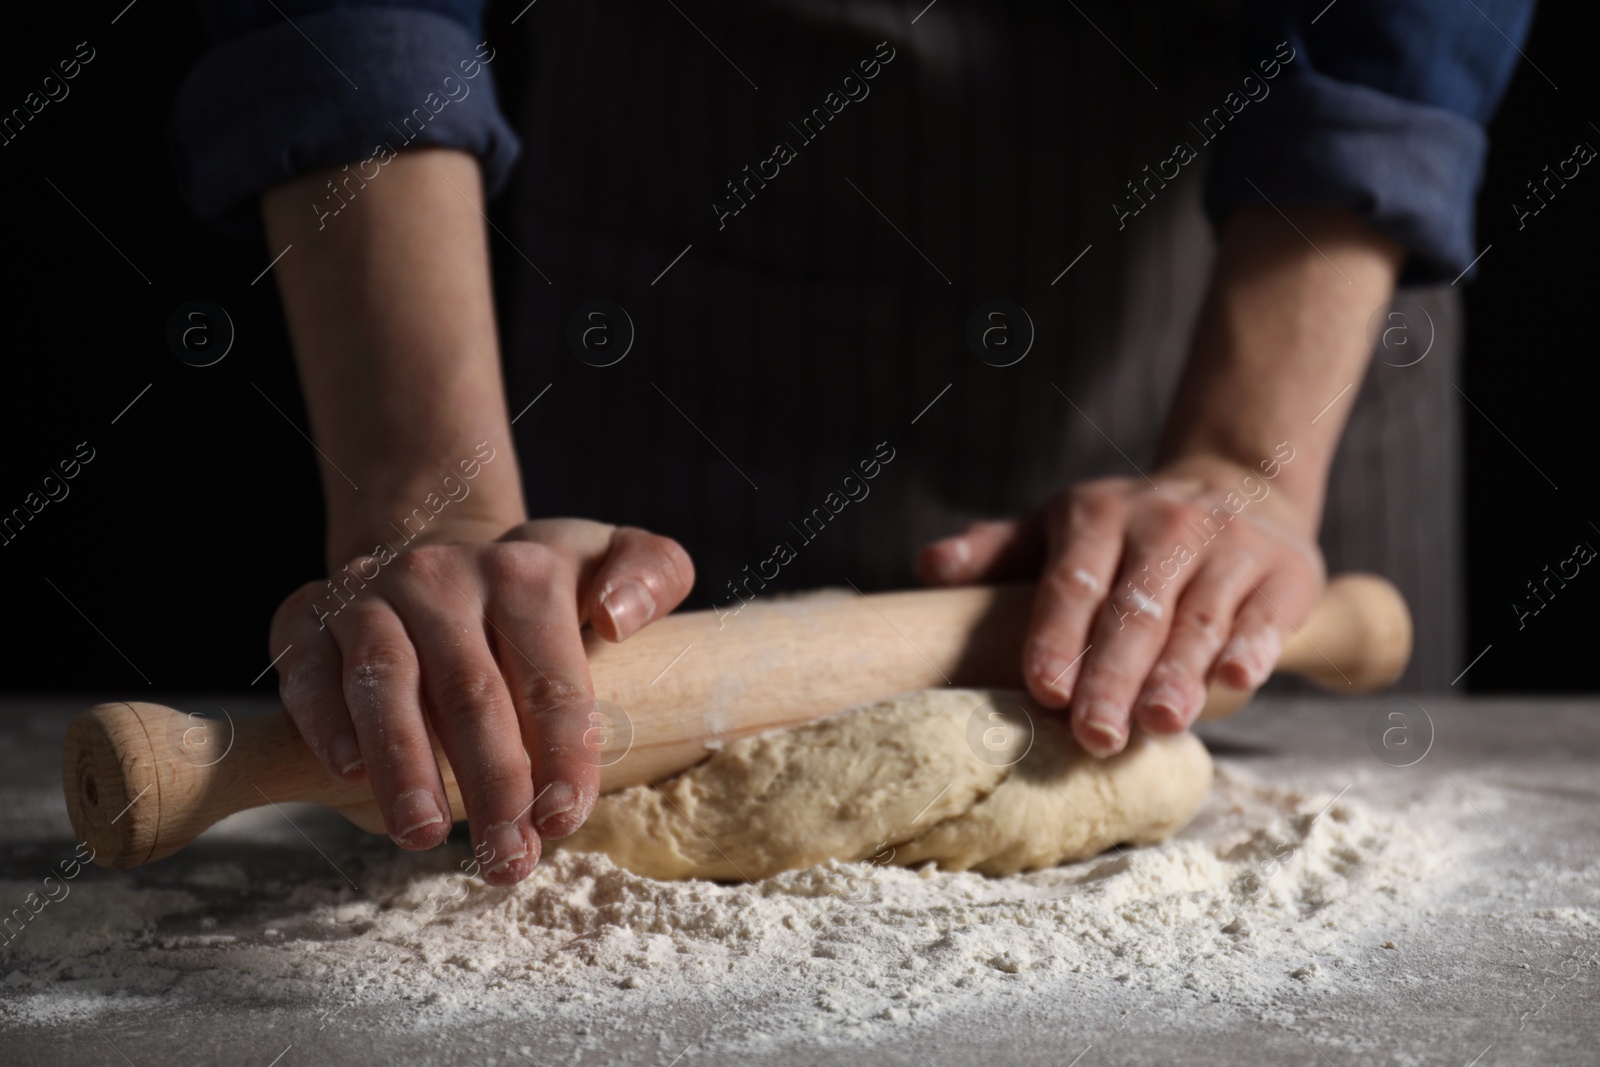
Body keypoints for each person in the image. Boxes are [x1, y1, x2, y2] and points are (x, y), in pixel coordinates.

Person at [173, 0, 1535, 885]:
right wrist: (434, 498)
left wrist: (1246, 459)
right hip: (688, 261)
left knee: (1303, 863)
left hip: (1265, 280)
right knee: (537, 747)